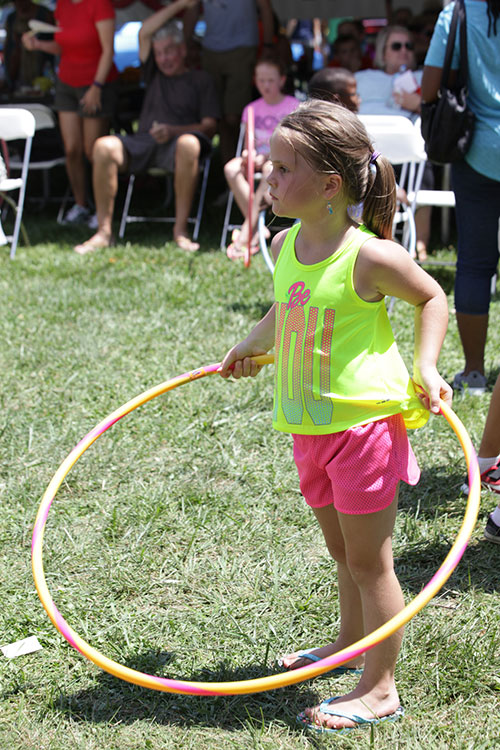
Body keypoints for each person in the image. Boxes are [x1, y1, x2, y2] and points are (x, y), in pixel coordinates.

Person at [219, 99, 452, 734]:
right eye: (269, 164)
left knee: (371, 561)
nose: (269, 177)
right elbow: (285, 308)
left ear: (330, 186)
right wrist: (252, 342)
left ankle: (379, 688)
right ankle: (349, 638)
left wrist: (427, 369)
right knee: (339, 548)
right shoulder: (284, 243)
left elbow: (432, 296)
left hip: (364, 430)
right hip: (307, 426)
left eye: (283, 168)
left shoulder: (368, 257)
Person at [73, 0, 220, 255]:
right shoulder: (153, 72)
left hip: (178, 145)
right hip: (142, 143)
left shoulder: (201, 79)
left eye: (169, 51)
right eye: (159, 52)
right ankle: (104, 232)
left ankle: (180, 230)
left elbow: (210, 127)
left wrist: (174, 131)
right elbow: (144, 32)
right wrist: (180, 5)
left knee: (189, 143)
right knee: (103, 146)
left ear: (183, 50)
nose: (163, 58)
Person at [422, 0, 500, 395]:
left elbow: (430, 87)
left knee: (475, 262)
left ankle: (474, 373)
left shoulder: (459, 12)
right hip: (478, 154)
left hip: (477, 152)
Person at [22, 0, 119, 226]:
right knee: (72, 149)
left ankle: (103, 211)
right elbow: (63, 46)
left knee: (93, 150)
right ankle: (81, 205)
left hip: (95, 83)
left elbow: (108, 51)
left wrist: (97, 87)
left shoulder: (100, 5)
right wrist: (37, 44)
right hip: (67, 83)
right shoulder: (62, 6)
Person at [356, 25, 432, 261]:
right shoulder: (363, 78)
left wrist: (417, 103)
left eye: (408, 46)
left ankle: (420, 242)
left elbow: (441, 115)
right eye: (396, 46)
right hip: (366, 149)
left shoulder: (424, 78)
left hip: (409, 152)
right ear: (383, 52)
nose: (404, 51)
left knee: (425, 168)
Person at [182, 0, 274, 166]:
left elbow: (265, 7)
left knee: (234, 117)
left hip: (243, 47)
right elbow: (191, 8)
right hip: (211, 49)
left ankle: (247, 162)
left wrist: (268, 44)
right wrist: (185, 43)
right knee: (218, 117)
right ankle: (231, 172)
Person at [224, 56, 298, 260]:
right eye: (261, 80)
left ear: (282, 80)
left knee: (268, 171)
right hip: (258, 157)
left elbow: (294, 143)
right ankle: (256, 225)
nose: (265, 85)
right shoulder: (251, 109)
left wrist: (266, 156)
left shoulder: (293, 106)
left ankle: (248, 231)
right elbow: (248, 142)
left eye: (271, 80)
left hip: (281, 158)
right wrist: (249, 154)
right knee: (231, 168)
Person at [3, 0, 55, 93]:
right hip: (18, 76)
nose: (19, 4)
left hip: (43, 71)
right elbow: (8, 49)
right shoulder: (11, 18)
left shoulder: (44, 14)